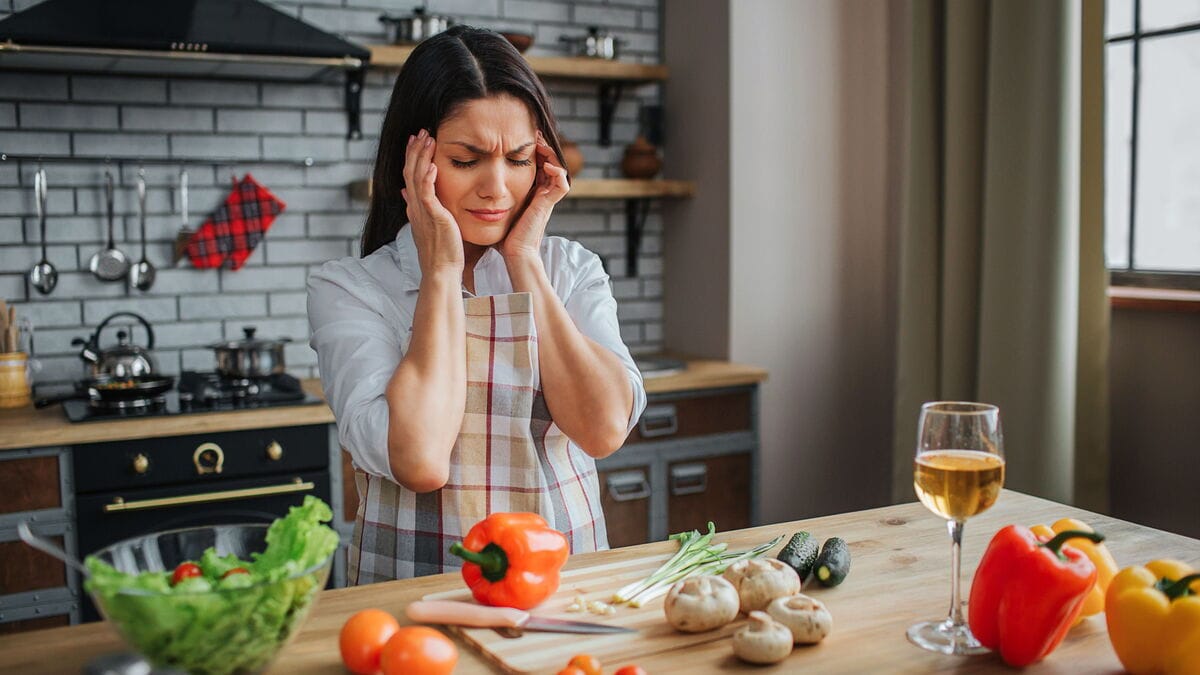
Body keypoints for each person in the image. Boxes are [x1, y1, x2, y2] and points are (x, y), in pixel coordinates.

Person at [307, 25, 647, 584]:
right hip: (415, 597)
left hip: (562, 586)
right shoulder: (351, 290)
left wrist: (526, 261)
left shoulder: (569, 269)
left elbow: (602, 429)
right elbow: (419, 461)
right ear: (413, 163)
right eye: (467, 161)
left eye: (518, 159)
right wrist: (440, 268)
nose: (498, 188)